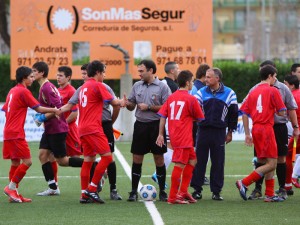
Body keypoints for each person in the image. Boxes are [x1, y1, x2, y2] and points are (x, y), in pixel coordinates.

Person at [60, 63, 123, 201]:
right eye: (103, 72)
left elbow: (69, 105)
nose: (104, 75)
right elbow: (113, 102)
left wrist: (55, 111)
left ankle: (84, 194)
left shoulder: (82, 88)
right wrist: (122, 101)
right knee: (107, 157)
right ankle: (92, 188)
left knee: (88, 160)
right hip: (93, 128)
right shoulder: (98, 85)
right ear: (98, 72)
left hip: (82, 128)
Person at [2, 66, 59, 203]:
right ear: (24, 78)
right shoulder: (23, 91)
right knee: (27, 161)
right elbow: (38, 108)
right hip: (16, 133)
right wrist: (54, 110)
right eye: (31, 77)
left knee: (15, 162)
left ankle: (13, 194)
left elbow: (5, 109)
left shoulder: (12, 90)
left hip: (8, 131)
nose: (33, 79)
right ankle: (11, 188)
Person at [247, 60, 298, 200]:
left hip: (279, 127)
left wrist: (295, 127)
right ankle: (257, 188)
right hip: (264, 128)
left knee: (281, 158)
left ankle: (281, 189)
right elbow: (246, 108)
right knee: (261, 159)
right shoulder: (255, 88)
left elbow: (291, 108)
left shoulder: (283, 88)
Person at [32, 61, 84, 196]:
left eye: (35, 71)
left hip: (57, 129)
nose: (32, 74)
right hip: (50, 129)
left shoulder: (47, 88)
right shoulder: (46, 86)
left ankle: (93, 164)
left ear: (41, 73)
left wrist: (42, 117)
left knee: (63, 161)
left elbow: (58, 109)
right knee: (43, 155)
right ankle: (53, 187)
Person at [236, 65, 287, 202]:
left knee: (265, 160)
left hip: (256, 128)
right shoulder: (273, 90)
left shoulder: (253, 91)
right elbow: (282, 111)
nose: (275, 79)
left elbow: (244, 111)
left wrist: (247, 133)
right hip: (266, 128)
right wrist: (275, 110)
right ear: (269, 76)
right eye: (274, 76)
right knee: (272, 163)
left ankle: (269, 194)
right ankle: (244, 182)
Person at [125, 59, 171, 202]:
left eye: (141, 71)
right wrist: (128, 104)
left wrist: (150, 107)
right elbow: (132, 106)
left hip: (157, 126)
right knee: (137, 157)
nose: (139, 74)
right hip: (140, 126)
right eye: (138, 71)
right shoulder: (137, 85)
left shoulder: (162, 87)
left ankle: (162, 191)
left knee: (159, 158)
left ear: (150, 71)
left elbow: (167, 107)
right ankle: (133, 191)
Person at [156, 70, 205, 204]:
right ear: (188, 82)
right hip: (183, 136)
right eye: (193, 81)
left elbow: (162, 116)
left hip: (176, 135)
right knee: (179, 164)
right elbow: (200, 118)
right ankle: (172, 197)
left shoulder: (171, 97)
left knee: (192, 160)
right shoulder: (191, 98)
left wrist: (161, 134)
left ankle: (183, 192)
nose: (193, 84)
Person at [190, 67, 238, 201]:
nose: (206, 79)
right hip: (203, 131)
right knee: (199, 161)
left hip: (219, 132)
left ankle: (216, 191)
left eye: (209, 77)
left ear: (217, 79)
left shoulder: (229, 93)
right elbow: (193, 110)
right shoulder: (200, 92)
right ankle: (197, 190)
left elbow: (233, 114)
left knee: (218, 162)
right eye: (206, 76)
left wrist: (230, 132)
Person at [152, 61, 179, 186]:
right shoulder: (172, 86)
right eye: (177, 69)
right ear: (172, 71)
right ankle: (158, 173)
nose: (179, 71)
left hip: (163, 119)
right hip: (169, 121)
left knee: (170, 147)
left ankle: (161, 173)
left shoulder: (162, 83)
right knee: (170, 147)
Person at [190, 63, 211, 186]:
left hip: (195, 123)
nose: (209, 79)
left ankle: (197, 175)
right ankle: (198, 175)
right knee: (200, 151)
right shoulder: (199, 89)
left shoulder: (195, 87)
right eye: (208, 76)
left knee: (197, 151)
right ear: (204, 75)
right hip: (198, 124)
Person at [283, 75, 300, 190]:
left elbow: (285, 114)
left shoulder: (292, 97)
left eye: (285, 84)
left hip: (297, 131)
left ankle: (290, 180)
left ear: (292, 85)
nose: (284, 86)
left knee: (287, 155)